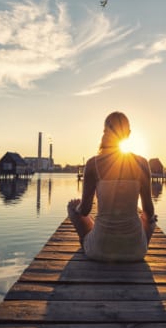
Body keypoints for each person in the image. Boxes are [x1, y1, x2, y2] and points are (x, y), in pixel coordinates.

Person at [67, 111, 156, 261]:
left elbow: (85, 211)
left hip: (99, 249)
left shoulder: (93, 164)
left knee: (72, 208)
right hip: (136, 251)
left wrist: (76, 207)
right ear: (128, 134)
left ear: (105, 131)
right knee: (152, 219)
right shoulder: (142, 163)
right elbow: (148, 210)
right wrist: (146, 219)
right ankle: (136, 241)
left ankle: (86, 241)